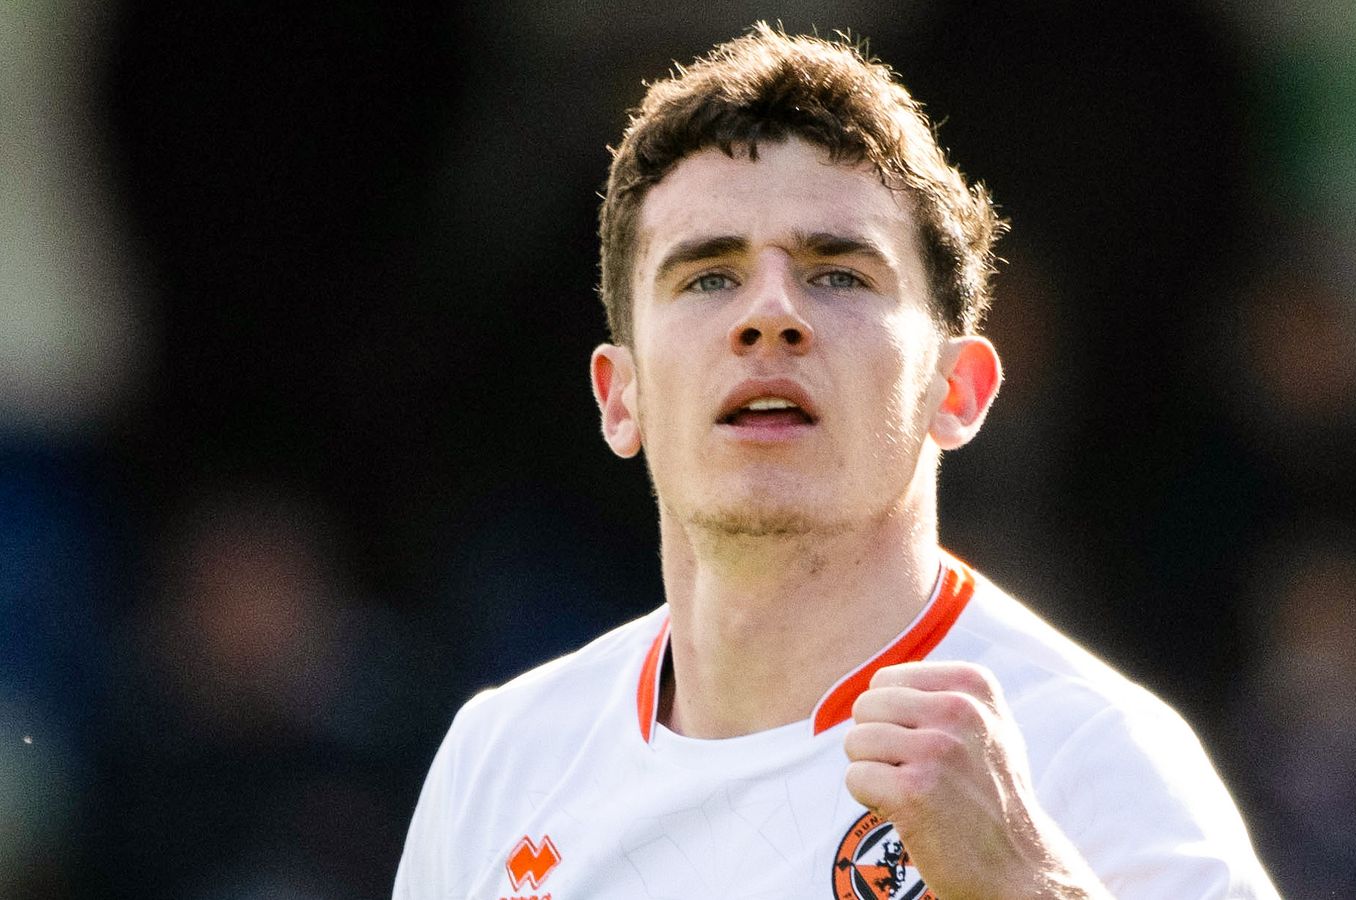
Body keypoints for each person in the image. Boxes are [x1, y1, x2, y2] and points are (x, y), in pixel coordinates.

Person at [394, 24, 1279, 900]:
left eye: (839, 275)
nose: (770, 315)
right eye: (708, 277)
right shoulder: (497, 765)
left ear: (958, 390)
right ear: (619, 397)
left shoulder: (1093, 759)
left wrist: (1026, 887)